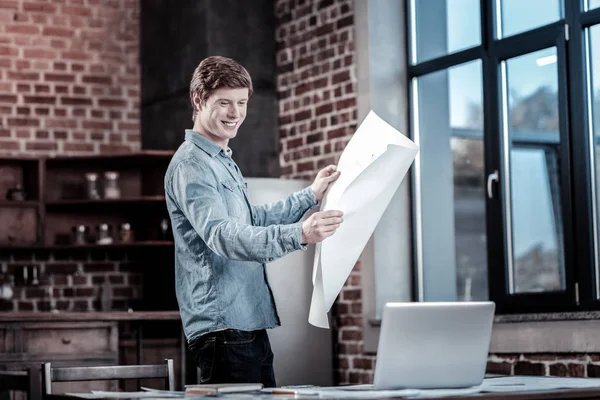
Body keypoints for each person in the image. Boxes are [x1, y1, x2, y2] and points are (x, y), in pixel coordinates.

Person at [164, 56, 343, 387]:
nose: (236, 113)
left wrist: (310, 195)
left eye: (242, 102)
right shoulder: (192, 165)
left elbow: (250, 219)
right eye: (225, 103)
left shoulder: (221, 161)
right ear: (198, 100)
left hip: (246, 326)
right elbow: (224, 236)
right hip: (223, 332)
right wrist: (300, 233)